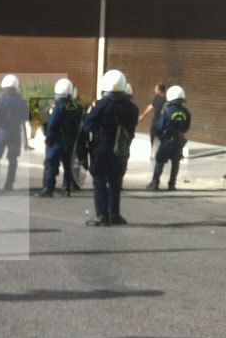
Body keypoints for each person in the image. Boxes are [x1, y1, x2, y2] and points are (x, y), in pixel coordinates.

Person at [78, 68, 139, 226]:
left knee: (99, 182)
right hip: (120, 148)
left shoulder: (98, 105)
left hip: (101, 148)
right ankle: (115, 214)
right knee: (115, 182)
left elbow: (86, 128)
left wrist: (82, 152)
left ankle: (102, 216)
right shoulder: (132, 108)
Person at [37, 79, 82, 198]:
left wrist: (49, 138)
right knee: (67, 165)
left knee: (52, 164)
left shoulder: (57, 106)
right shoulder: (76, 107)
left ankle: (48, 188)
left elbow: (52, 124)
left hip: (57, 140)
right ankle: (67, 188)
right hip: (69, 140)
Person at [0, 75, 30, 191]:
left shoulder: (1, 101)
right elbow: (26, 116)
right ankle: (9, 184)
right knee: (13, 159)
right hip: (15, 132)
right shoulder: (22, 101)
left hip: (3, 131)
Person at [149, 85, 191, 191]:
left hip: (167, 140)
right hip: (179, 142)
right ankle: (172, 184)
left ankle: (155, 183)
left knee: (160, 161)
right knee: (175, 163)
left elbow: (160, 126)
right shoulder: (186, 112)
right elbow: (186, 128)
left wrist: (159, 135)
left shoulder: (167, 110)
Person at [138, 83, 167, 161]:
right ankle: (153, 152)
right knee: (152, 135)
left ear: (160, 90)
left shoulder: (165, 100)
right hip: (155, 120)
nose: (154, 90)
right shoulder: (156, 97)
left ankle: (162, 153)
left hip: (162, 121)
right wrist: (143, 115)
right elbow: (151, 107)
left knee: (161, 137)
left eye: (156, 88)